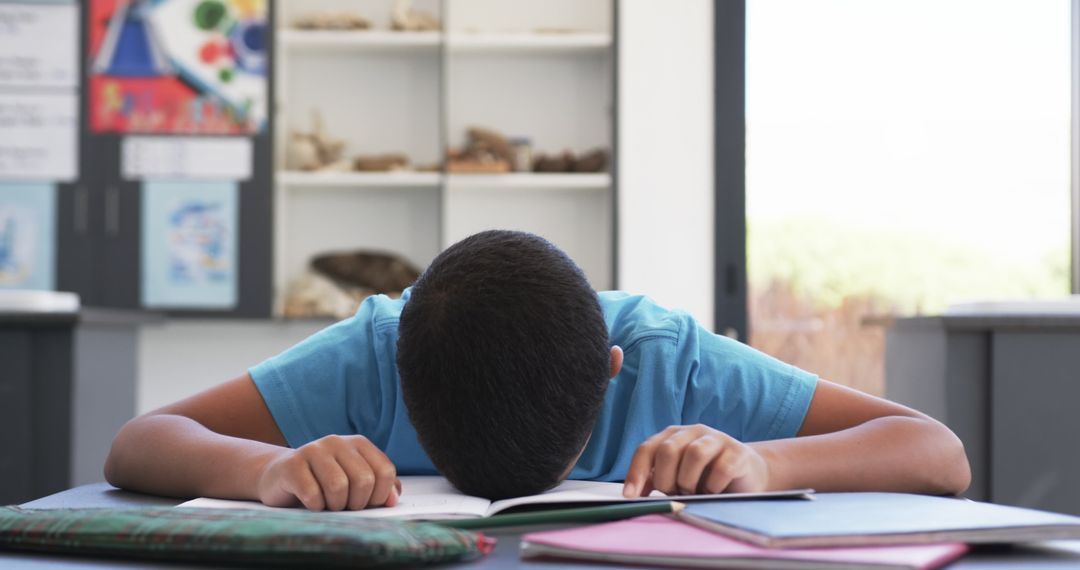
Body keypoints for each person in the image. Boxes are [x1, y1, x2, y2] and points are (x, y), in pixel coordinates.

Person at [105, 230, 971, 511]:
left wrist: (771, 462)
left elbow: (936, 453)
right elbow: (139, 443)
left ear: (612, 371)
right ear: (402, 375)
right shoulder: (379, 348)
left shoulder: (671, 362)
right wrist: (264, 469)